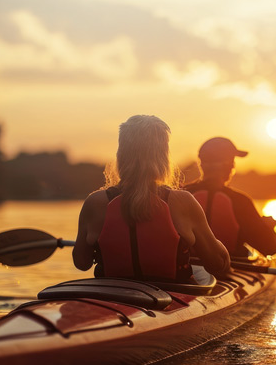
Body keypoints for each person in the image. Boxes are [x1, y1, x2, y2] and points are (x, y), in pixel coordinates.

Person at [73, 115, 230, 282]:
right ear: (163, 157)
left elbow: (82, 262)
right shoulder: (183, 201)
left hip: (112, 296)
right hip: (171, 297)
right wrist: (217, 245)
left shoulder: (95, 202)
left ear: (121, 154)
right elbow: (217, 264)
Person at [184, 136, 276, 258]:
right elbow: (270, 248)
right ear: (230, 166)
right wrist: (268, 228)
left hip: (188, 270)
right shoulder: (240, 201)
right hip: (229, 268)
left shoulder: (179, 194)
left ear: (201, 165)